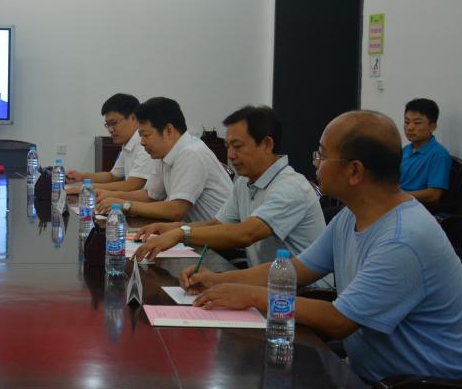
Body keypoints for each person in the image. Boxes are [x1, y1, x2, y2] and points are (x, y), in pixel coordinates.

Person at [184, 111, 462, 389]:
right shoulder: (351, 216)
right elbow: (295, 269)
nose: (315, 163)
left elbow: (340, 321)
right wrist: (218, 280)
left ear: (354, 171)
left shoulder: (403, 238)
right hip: (375, 382)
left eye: (322, 155)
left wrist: (251, 296)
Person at [133, 105, 327, 274]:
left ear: (267, 144)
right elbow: (216, 224)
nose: (231, 155)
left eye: (237, 146)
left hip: (303, 291)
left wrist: (182, 234)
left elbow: (246, 234)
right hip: (265, 282)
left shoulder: (290, 186)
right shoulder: (244, 181)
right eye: (228, 146)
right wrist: (171, 228)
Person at [96, 97, 231, 222]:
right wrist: (111, 196)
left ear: (168, 130)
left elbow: (176, 210)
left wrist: (125, 205)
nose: (142, 142)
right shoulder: (163, 154)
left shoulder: (191, 153)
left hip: (220, 238)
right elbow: (150, 195)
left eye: (146, 135)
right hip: (193, 233)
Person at [64, 93, 156, 195]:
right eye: (108, 124)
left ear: (133, 118)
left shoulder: (143, 144)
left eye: (114, 123)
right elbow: (112, 176)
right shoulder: (127, 143)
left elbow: (132, 185)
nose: (110, 130)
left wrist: (86, 187)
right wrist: (81, 176)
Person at [400, 98, 452, 204]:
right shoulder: (405, 150)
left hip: (414, 206)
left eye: (417, 123)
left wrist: (397, 197)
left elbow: (433, 195)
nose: (410, 128)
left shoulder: (438, 154)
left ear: (432, 127)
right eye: (407, 122)